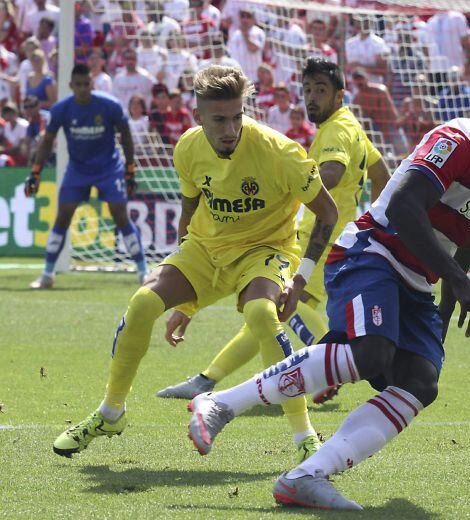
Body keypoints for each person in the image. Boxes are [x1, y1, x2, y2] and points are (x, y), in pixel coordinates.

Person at [185, 53, 470, 510]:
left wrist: (442, 313)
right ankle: (220, 403)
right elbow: (403, 207)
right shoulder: (456, 141)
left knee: (421, 381)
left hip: (417, 282)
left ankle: (308, 475)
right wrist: (460, 283)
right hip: (371, 253)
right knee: (372, 353)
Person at [52, 66, 339, 464]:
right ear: (197, 116)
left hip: (265, 249)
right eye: (219, 119)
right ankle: (110, 413)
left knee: (260, 314)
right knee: (142, 304)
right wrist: (187, 304)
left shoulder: (281, 152)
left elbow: (328, 212)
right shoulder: (187, 148)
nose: (230, 128)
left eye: (237, 116)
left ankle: (304, 435)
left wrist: (300, 278)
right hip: (205, 248)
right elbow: (191, 209)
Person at [157, 58, 390, 406]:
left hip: (319, 238)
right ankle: (209, 379)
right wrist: (376, 220)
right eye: (307, 90)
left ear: (339, 94)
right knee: (263, 313)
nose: (311, 98)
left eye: (320, 91)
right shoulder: (350, 124)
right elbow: (381, 172)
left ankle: (328, 371)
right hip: (340, 235)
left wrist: (284, 187)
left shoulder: (336, 132)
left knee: (283, 307)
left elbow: (331, 173)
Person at [24, 64, 147, 290]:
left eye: (86, 84)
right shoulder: (62, 109)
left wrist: (130, 168)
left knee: (120, 214)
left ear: (92, 83)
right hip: (78, 169)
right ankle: (47, 274)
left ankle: (143, 271)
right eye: (78, 85)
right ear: (71, 85)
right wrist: (36, 171)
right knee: (63, 215)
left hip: (108, 168)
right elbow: (47, 140)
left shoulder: (109, 105)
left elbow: (126, 135)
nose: (82, 89)